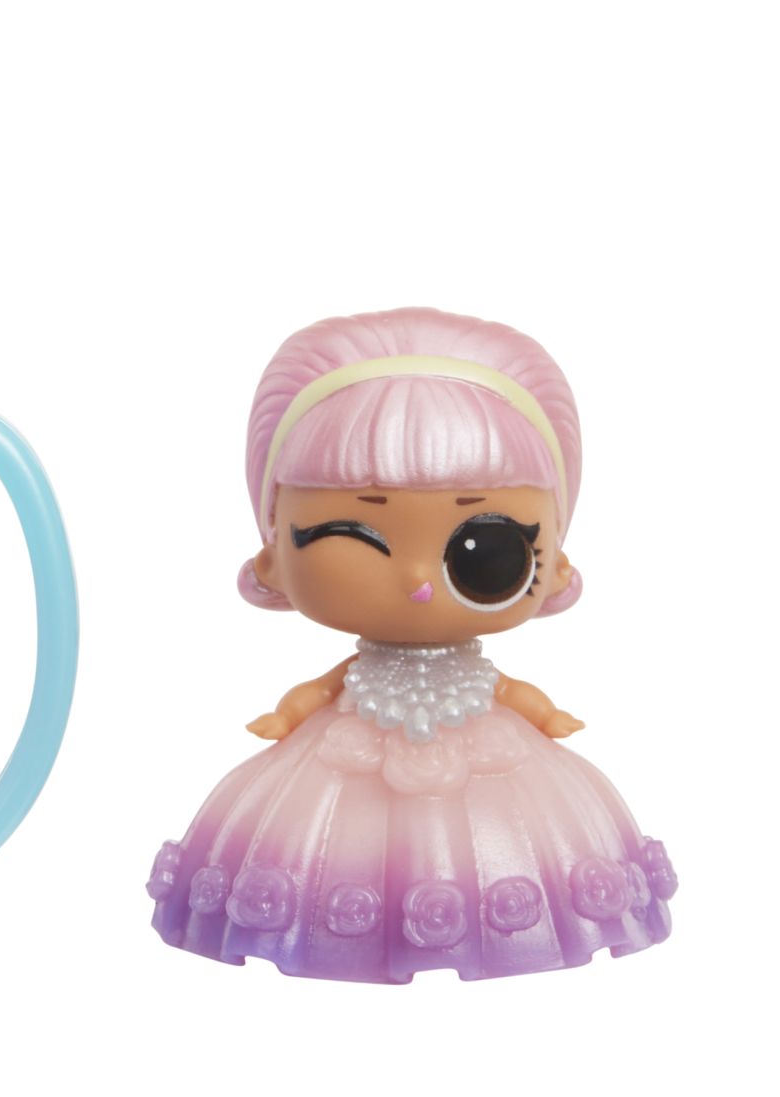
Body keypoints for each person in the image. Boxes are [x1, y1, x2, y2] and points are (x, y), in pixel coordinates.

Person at [148, 307, 675, 982]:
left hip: (497, 761)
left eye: (485, 545)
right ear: (273, 554)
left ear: (555, 562)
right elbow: (320, 691)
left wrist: (546, 715)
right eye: (353, 535)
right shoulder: (348, 673)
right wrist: (286, 716)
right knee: (317, 852)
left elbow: (513, 692)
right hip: (340, 753)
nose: (418, 580)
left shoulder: (491, 685)